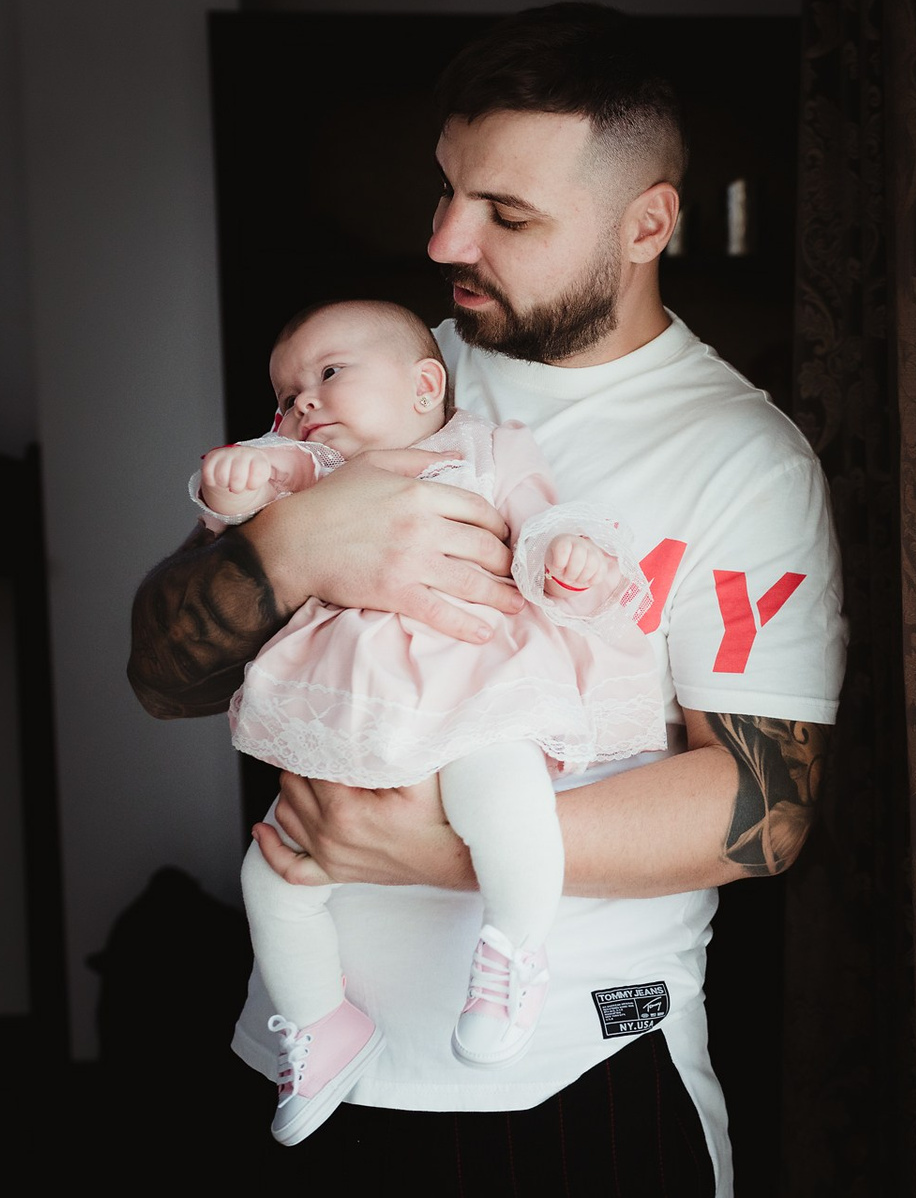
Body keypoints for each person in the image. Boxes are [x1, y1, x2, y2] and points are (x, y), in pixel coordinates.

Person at [128, 3, 846, 1196]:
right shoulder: (368, 375)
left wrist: (437, 851)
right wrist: (293, 547)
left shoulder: (739, 459)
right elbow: (163, 673)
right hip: (309, 1070)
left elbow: (767, 804)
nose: (446, 239)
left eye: (507, 214)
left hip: (573, 1078)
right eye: (448, 190)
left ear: (647, 223)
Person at [197, 299, 664, 1146]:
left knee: (505, 795)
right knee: (272, 877)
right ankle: (324, 1023)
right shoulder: (315, 469)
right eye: (288, 394)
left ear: (423, 386)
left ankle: (513, 950)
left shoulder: (487, 451)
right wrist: (230, 485)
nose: (304, 401)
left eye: (329, 374)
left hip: (474, 685)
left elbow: (541, 518)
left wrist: (567, 558)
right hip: (356, 715)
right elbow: (246, 493)